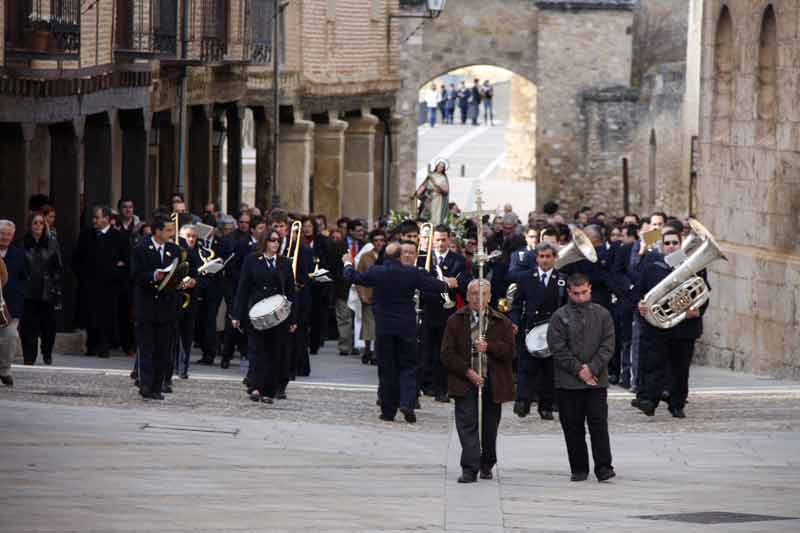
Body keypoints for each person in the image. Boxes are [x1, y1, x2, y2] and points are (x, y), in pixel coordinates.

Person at [342, 241, 457, 423]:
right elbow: (433, 286)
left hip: (384, 328)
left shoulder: (377, 271)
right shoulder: (411, 273)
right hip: (407, 327)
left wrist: (348, 262)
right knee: (409, 367)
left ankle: (388, 411)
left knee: (387, 368)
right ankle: (407, 403)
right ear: (399, 256)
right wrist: (447, 284)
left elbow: (352, 277)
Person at [441, 279, 516, 483]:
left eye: (483, 294)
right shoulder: (456, 320)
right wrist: (468, 372)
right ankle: (470, 467)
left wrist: (489, 347)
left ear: (490, 297)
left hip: (493, 382)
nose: (478, 298)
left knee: (489, 426)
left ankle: (487, 462)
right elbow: (447, 354)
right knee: (467, 424)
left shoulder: (502, 321)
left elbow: (510, 352)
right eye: (473, 293)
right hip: (465, 381)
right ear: (467, 296)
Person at [547, 272, 616, 482]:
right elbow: (557, 348)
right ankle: (579, 468)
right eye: (576, 293)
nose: (581, 297)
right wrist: (579, 370)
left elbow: (608, 345)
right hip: (568, 382)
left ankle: (604, 467)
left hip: (596, 380)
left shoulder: (602, 314)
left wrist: (592, 368)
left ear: (590, 289)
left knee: (598, 424)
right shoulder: (559, 316)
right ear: (569, 292)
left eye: (584, 292)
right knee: (572, 425)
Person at [633, 229, 707, 418]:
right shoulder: (652, 266)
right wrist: (641, 306)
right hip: (658, 327)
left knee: (680, 369)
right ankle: (649, 400)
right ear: (662, 246)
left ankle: (677, 404)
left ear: (681, 244)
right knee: (654, 364)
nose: (671, 246)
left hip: (684, 328)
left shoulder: (694, 266)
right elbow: (640, 293)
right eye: (667, 243)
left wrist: (696, 310)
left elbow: (704, 294)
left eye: (675, 243)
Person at [232, 229, 298, 404]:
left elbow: (291, 292)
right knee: (256, 351)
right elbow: (243, 288)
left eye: (278, 241)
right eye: (272, 240)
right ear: (264, 242)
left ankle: (269, 390)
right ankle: (255, 386)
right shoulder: (252, 260)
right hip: (257, 312)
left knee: (274, 352)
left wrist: (293, 319)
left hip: (278, 314)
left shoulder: (284, 263)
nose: (275, 244)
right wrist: (237, 314)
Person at [510, 242, 567, 420]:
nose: (544, 260)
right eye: (541, 257)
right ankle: (522, 401)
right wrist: (514, 322)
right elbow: (517, 304)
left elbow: (566, 307)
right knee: (526, 367)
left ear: (554, 258)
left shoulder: (562, 280)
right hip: (530, 329)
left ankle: (546, 406)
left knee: (549, 370)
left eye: (548, 256)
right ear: (536, 258)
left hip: (552, 331)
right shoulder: (525, 278)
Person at [131, 216, 182, 400]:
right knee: (147, 346)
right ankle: (145, 383)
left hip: (166, 306)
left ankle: (157, 385)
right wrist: (154, 275)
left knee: (163, 348)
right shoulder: (142, 249)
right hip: (147, 305)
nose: (171, 234)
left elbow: (180, 272)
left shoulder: (174, 250)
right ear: (157, 231)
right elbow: (136, 275)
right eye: (168, 230)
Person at [418, 225, 468, 402]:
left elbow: (464, 282)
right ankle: (424, 384)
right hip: (428, 309)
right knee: (425, 349)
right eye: (437, 239)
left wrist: (457, 282)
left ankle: (442, 388)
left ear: (449, 240)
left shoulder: (458, 260)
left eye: (443, 239)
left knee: (444, 350)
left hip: (448, 311)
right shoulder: (426, 259)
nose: (440, 243)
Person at [72, 206, 130, 358]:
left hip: (110, 286)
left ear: (106, 218)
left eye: (97, 218)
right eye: (93, 218)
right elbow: (77, 259)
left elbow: (126, 261)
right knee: (90, 315)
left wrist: (117, 274)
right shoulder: (86, 235)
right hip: (90, 283)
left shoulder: (118, 237)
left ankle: (105, 345)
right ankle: (91, 345)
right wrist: (83, 275)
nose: (94, 221)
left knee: (107, 316)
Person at [18, 212, 63, 366]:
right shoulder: (22, 243)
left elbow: (58, 266)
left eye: (41, 223)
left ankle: (47, 352)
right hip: (28, 290)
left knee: (48, 326)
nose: (38, 226)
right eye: (35, 223)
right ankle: (29, 356)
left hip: (47, 289)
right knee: (28, 326)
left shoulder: (52, 243)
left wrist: (55, 286)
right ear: (30, 225)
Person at [0, 220, 26, 386]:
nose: (5, 237)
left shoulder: (19, 254)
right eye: (2, 233)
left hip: (11, 305)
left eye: (8, 234)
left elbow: (24, 279)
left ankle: (4, 370)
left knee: (10, 336)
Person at [355, 229, 387, 365]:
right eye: (376, 240)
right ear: (372, 242)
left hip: (384, 295)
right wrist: (361, 293)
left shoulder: (388, 255)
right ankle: (368, 349)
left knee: (380, 324)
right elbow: (359, 275)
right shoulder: (366, 256)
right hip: (368, 294)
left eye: (381, 240)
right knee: (368, 324)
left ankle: (377, 352)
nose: (379, 243)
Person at [414, 161, 450, 225]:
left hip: (438, 199)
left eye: (442, 167)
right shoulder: (431, 175)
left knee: (435, 214)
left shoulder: (443, 177)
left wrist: (437, 185)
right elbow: (424, 185)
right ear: (436, 166)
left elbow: (446, 190)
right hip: (428, 197)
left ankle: (435, 226)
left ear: (444, 168)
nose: (440, 168)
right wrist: (417, 193)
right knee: (425, 212)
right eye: (439, 166)